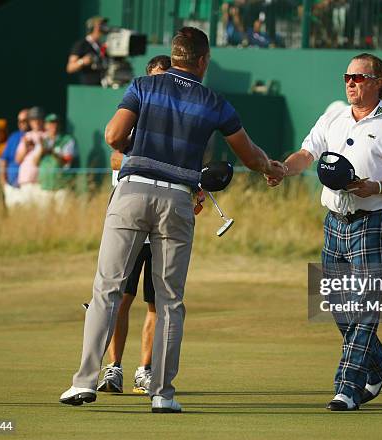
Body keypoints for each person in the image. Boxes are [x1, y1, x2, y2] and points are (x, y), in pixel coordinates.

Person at [59, 27, 285, 412]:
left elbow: (114, 136)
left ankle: (84, 382)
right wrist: (269, 166)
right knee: (169, 301)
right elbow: (248, 155)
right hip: (178, 201)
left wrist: (139, 145)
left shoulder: (143, 86)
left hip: (132, 193)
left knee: (107, 291)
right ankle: (162, 394)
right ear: (202, 61)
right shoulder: (215, 101)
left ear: (173, 55)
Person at [267, 53, 382, 411]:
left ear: (378, 81)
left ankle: (347, 388)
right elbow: (307, 153)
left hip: (372, 222)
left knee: (365, 307)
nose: (351, 82)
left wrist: (377, 188)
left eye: (359, 77)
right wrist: (283, 169)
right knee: (339, 308)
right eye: (347, 77)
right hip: (334, 222)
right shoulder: (334, 116)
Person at [97, 55, 172, 395]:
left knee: (156, 303)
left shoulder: (176, 124)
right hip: (128, 223)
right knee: (120, 299)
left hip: (160, 226)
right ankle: (114, 369)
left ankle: (146, 369)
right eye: (155, 77)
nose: (160, 83)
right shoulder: (133, 112)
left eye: (165, 77)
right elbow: (114, 151)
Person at [15, 106, 45, 204]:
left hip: (41, 182)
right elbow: (18, 160)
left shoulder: (47, 136)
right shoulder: (26, 136)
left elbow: (36, 161)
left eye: (38, 119)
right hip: (26, 180)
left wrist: (41, 145)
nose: (36, 122)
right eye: (33, 119)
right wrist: (26, 146)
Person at [66, 16, 108, 85]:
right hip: (89, 87)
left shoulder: (102, 46)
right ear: (91, 28)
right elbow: (70, 67)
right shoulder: (81, 45)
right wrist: (82, 61)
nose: (103, 29)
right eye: (100, 26)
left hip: (103, 86)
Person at [0, 109, 29, 208]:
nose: (21, 123)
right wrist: (3, 182)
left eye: (24, 120)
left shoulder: (37, 136)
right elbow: (4, 160)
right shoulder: (13, 137)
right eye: (19, 121)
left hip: (28, 186)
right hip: (12, 186)